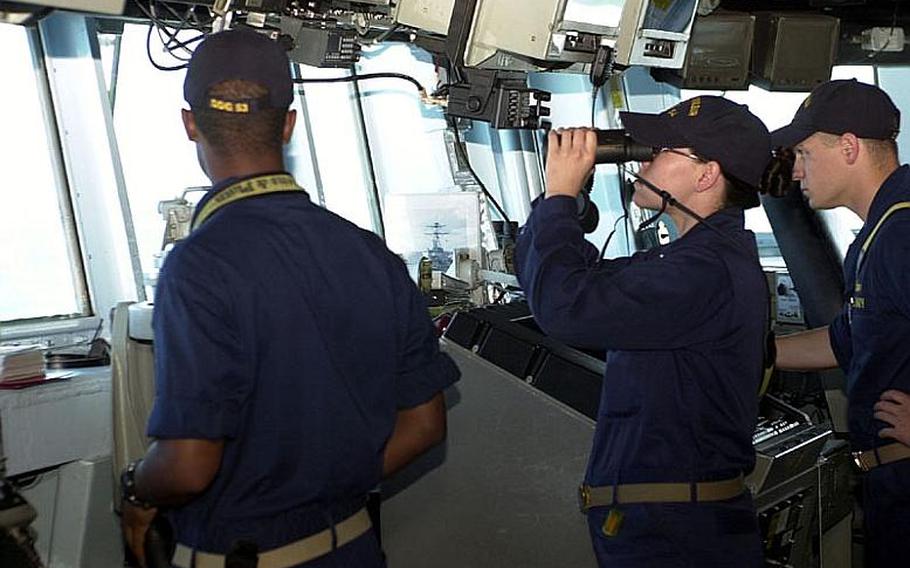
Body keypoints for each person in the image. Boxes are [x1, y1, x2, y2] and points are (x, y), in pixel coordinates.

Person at [119, 29, 460, 568]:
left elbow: (186, 467)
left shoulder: (197, 267)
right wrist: (329, 489)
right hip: (353, 546)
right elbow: (423, 425)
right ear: (287, 124)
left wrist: (136, 491)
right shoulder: (370, 253)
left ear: (189, 124)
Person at [515, 96, 772, 567]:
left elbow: (563, 307)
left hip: (676, 536)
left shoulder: (701, 274)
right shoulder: (693, 261)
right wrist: (566, 200)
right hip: (672, 524)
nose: (643, 159)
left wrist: (557, 199)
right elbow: (559, 281)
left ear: (706, 175)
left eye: (661, 150)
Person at [771, 78, 910, 568]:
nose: (796, 170)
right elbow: (844, 339)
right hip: (889, 487)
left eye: (804, 154)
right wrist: (752, 350)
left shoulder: (902, 235)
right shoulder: (876, 234)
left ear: (849, 147)